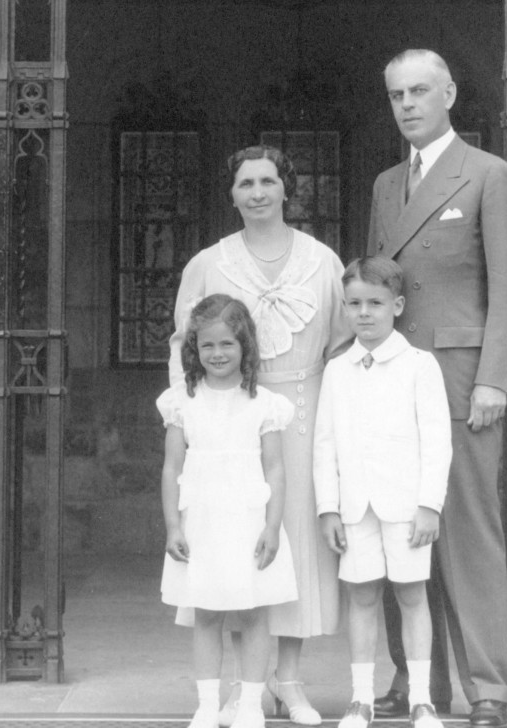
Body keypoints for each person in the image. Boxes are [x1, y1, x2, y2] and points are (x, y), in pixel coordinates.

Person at [368, 49, 507, 728]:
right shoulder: (384, 185)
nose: (408, 104)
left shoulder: (489, 175)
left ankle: (488, 686)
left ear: (450, 95)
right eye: (397, 95)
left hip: (462, 379)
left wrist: (495, 378)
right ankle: (415, 679)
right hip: (396, 377)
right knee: (396, 526)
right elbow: (377, 289)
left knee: (466, 528)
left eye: (420, 92)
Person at [168, 145, 352, 725]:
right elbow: (183, 345)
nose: (257, 193)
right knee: (234, 545)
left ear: (285, 189)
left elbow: (342, 346)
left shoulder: (322, 260)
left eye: (268, 181)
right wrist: (191, 418)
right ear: (232, 193)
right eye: (245, 183)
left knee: (294, 542)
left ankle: (289, 681)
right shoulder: (209, 263)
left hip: (301, 410)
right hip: (230, 420)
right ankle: (237, 689)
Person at [313, 256, 452, 728]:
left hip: (407, 506)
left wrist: (429, 505)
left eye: (375, 303)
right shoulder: (337, 370)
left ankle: (421, 698)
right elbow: (325, 442)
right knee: (363, 598)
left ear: (397, 305)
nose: (364, 313)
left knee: (412, 596)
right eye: (354, 304)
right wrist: (328, 508)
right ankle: (360, 699)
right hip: (355, 506)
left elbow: (437, 441)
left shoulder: (419, 365)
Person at [158, 294, 298, 728]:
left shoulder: (264, 404)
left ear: (245, 347)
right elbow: (171, 467)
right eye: (208, 347)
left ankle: (252, 704)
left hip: (248, 519)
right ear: (195, 351)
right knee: (207, 613)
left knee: (254, 613)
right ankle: (206, 704)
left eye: (227, 345)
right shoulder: (183, 402)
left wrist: (273, 527)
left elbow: (275, 468)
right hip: (202, 519)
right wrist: (172, 525)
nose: (217, 354)